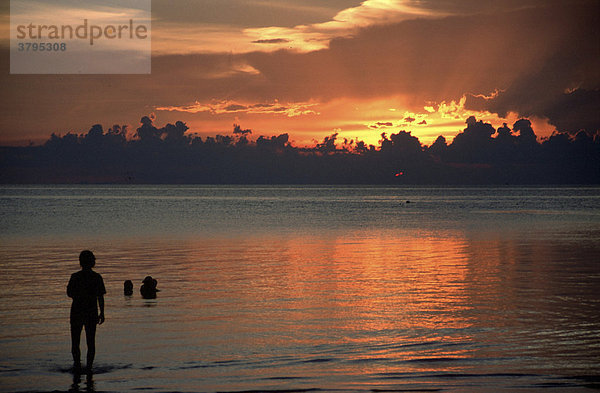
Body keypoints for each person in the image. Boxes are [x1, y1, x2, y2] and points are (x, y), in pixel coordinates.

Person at [67, 250, 106, 373]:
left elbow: (69, 293)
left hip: (77, 311)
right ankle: (89, 368)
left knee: (75, 342)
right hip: (90, 312)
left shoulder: (75, 277)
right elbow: (100, 296)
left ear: (80, 262)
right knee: (91, 342)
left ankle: (77, 365)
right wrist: (102, 313)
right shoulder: (96, 277)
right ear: (92, 262)